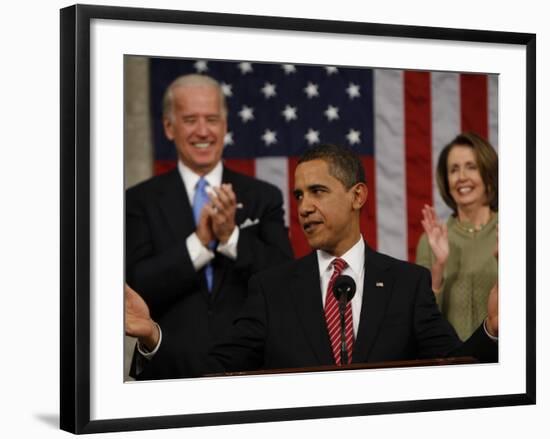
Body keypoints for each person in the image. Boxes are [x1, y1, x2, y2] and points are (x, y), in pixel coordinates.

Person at [126, 143, 498, 378]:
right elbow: (213, 370)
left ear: (357, 196)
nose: (304, 207)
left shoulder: (407, 283)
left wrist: (492, 329)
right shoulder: (271, 288)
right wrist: (152, 336)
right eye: (299, 195)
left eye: (318, 192)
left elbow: (455, 368)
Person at [126, 74, 293, 379]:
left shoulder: (264, 196)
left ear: (225, 126)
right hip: (167, 370)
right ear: (168, 127)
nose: (203, 131)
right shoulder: (138, 201)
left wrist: (231, 237)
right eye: (190, 119)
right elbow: (136, 286)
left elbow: (284, 280)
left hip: (250, 373)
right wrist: (200, 243)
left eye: (212, 119)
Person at [416, 132, 498, 341]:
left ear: (488, 173)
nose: (462, 177)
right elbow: (421, 319)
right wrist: (438, 269)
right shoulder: (431, 241)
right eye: (454, 169)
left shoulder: (515, 230)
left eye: (471, 167)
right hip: (451, 361)